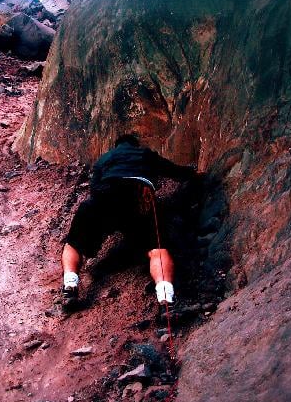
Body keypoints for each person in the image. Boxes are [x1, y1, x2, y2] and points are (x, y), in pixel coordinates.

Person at [61, 133, 197, 311]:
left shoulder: (104, 158)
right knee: (158, 249)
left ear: (116, 146)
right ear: (135, 144)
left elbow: (94, 189)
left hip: (105, 196)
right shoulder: (144, 154)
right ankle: (166, 300)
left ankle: (70, 286)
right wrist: (191, 173)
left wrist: (104, 216)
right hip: (139, 197)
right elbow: (173, 171)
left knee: (74, 244)